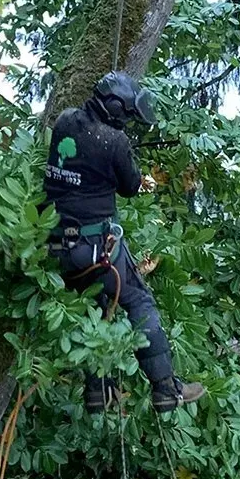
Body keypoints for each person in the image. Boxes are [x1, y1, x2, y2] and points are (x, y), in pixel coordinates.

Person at [44, 71, 206, 414]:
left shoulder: (64, 122)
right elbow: (130, 187)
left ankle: (97, 393)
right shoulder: (114, 141)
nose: (128, 123)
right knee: (138, 299)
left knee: (97, 305)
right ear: (116, 108)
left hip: (57, 246)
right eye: (127, 115)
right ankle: (165, 388)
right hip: (96, 245)